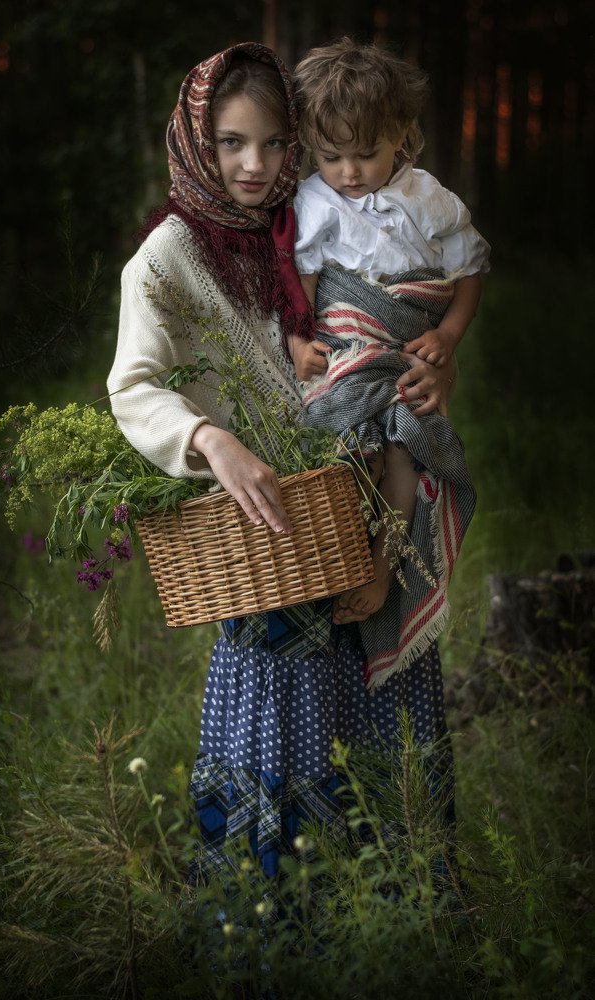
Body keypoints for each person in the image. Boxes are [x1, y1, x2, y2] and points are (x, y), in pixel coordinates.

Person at [107, 42, 455, 882]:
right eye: (230, 142)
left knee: (380, 731)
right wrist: (208, 439)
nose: (253, 165)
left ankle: (396, 925)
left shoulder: (322, 221)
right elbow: (132, 386)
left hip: (367, 519)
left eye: (271, 143)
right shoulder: (169, 259)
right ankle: (279, 923)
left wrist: (434, 362)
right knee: (286, 725)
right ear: (198, 142)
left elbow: (400, 320)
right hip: (272, 542)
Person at [286, 38, 489, 686]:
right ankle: (329, 555)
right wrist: (299, 342)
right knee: (339, 436)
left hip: (404, 342)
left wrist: (449, 335)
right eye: (332, 155)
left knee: (404, 440)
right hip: (347, 341)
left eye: (366, 153)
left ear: (402, 134)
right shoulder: (313, 202)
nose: (349, 171)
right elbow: (307, 285)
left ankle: (381, 566)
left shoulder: (429, 198)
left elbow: (467, 271)